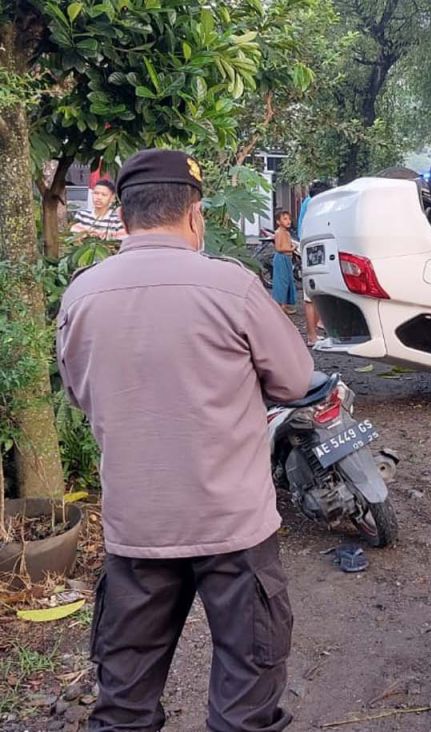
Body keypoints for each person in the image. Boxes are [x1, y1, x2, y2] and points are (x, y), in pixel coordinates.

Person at [57, 149, 314, 731]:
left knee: (124, 704)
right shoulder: (232, 288)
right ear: (195, 214)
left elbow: (80, 394)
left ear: (122, 217)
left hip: (137, 531)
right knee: (245, 701)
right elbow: (296, 380)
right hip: (234, 528)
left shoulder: (81, 296)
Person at [298, 182, 332, 345]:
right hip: (315, 253)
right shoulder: (319, 211)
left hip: (311, 252)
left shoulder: (309, 209)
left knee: (315, 294)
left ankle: (315, 331)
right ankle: (311, 335)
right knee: (311, 296)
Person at [272, 209, 297, 314]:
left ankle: (285, 305)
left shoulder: (286, 232)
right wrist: (291, 249)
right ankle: (280, 306)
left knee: (288, 281)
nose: (288, 221)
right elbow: (278, 248)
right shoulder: (278, 232)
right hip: (281, 258)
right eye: (285, 219)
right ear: (278, 222)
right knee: (282, 282)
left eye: (289, 219)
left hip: (287, 258)